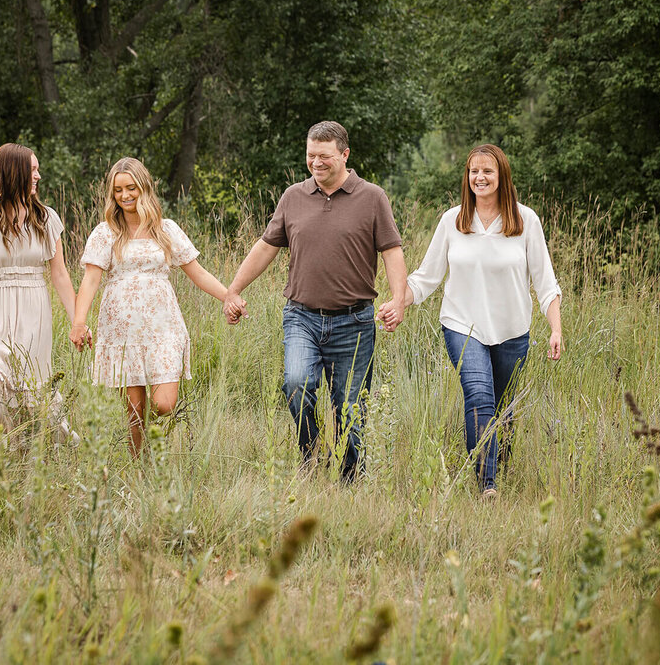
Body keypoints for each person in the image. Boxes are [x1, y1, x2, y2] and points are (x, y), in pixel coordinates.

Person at [224, 121, 408, 483]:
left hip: (354, 322)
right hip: (301, 317)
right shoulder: (293, 196)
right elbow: (265, 247)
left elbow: (392, 252)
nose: (316, 163)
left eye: (324, 156)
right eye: (310, 156)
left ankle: (349, 481)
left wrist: (398, 300)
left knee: (351, 411)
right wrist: (233, 289)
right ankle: (310, 457)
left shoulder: (372, 197)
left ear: (344, 154)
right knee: (295, 383)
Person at [378, 143, 562, 497]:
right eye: (473, 171)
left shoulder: (526, 221)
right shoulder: (453, 220)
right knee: (479, 395)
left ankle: (499, 463)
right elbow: (426, 277)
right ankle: (486, 484)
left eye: (487, 171)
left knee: (504, 409)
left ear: (501, 176)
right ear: (467, 177)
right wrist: (398, 302)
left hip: (512, 331)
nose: (480, 177)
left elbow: (546, 282)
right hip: (462, 327)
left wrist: (555, 328)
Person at [72, 157, 229, 456]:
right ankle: (140, 464)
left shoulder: (166, 229)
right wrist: (79, 322)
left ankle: (152, 442)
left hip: (162, 327)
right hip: (121, 330)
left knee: (163, 404)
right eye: (118, 190)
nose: (125, 195)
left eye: (131, 188)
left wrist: (229, 296)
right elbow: (90, 281)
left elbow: (197, 272)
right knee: (134, 410)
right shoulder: (105, 233)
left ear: (144, 188)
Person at [0, 143, 79, 437]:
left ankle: (28, 452)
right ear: (14, 172)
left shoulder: (46, 218)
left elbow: (59, 274)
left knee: (30, 394)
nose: (38, 176)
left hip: (34, 314)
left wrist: (78, 320)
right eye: (32, 170)